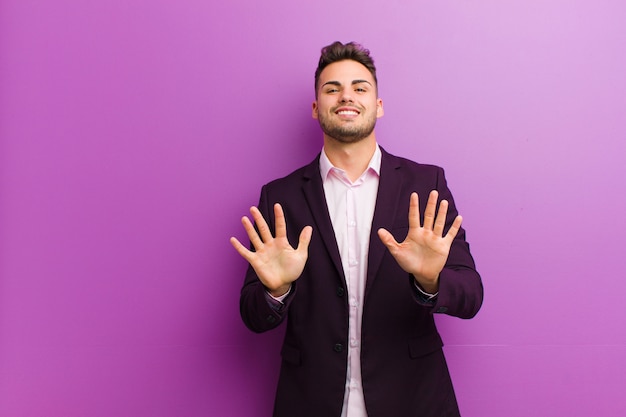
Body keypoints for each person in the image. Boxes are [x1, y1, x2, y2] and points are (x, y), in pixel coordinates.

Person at [230, 41, 483, 417]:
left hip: (413, 400)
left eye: (360, 87)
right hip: (310, 402)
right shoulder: (279, 197)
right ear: (317, 108)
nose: (346, 96)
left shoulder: (425, 184)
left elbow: (471, 295)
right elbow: (253, 315)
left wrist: (430, 281)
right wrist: (277, 289)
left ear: (378, 106)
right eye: (332, 89)